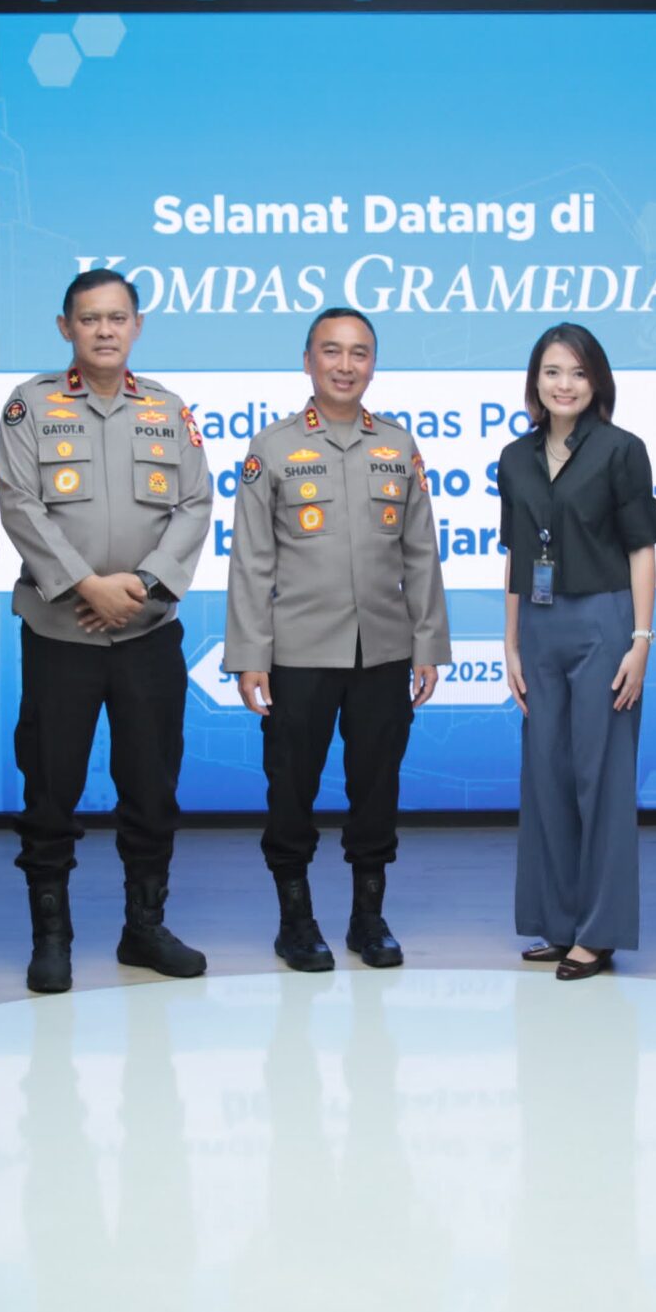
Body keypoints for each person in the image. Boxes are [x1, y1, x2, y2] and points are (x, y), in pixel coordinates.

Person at [0, 269, 213, 993]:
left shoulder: (168, 409)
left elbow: (195, 504)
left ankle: (143, 929)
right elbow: (20, 504)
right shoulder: (30, 406)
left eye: (118, 317)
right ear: (67, 328)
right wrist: (86, 585)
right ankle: (51, 938)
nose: (105, 330)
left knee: (151, 788)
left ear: (137, 326)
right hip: (61, 634)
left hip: (148, 631)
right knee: (50, 787)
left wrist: (141, 587)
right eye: (90, 319)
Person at [224, 308, 451, 971]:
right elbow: (251, 560)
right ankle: (296, 922)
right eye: (332, 351)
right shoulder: (272, 446)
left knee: (376, 789)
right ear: (308, 361)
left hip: (383, 650)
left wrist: (428, 643)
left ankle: (367, 919)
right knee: (290, 791)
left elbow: (420, 552)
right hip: (297, 653)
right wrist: (249, 656)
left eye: (359, 353)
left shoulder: (398, 445)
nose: (345, 365)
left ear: (373, 364)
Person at [499, 323, 656, 979]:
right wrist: (511, 642)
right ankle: (558, 922)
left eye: (576, 372)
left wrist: (641, 640)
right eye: (551, 372)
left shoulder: (622, 450)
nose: (563, 384)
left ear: (597, 382)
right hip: (539, 626)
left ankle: (598, 932)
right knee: (546, 776)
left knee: (602, 778)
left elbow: (642, 549)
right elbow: (516, 554)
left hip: (604, 622)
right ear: (534, 381)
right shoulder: (515, 457)